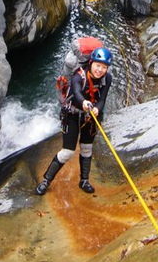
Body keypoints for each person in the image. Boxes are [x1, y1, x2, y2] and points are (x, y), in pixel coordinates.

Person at [35, 47, 113, 195]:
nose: (100, 70)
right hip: (72, 113)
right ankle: (46, 181)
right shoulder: (79, 75)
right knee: (67, 152)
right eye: (98, 65)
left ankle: (84, 180)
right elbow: (77, 92)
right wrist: (84, 102)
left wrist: (97, 108)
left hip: (90, 115)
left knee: (86, 148)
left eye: (104, 67)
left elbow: (102, 98)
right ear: (91, 63)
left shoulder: (107, 78)